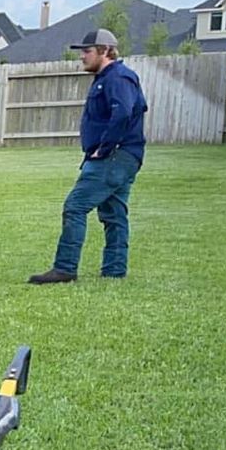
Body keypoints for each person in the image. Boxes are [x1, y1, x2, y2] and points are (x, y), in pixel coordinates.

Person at [28, 29, 147, 284]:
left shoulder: (118, 77)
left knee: (75, 206)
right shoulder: (109, 78)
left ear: (105, 51)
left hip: (113, 157)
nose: (82, 56)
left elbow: (123, 113)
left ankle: (65, 268)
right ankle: (114, 270)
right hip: (123, 156)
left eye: (87, 51)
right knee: (114, 213)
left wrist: (104, 148)